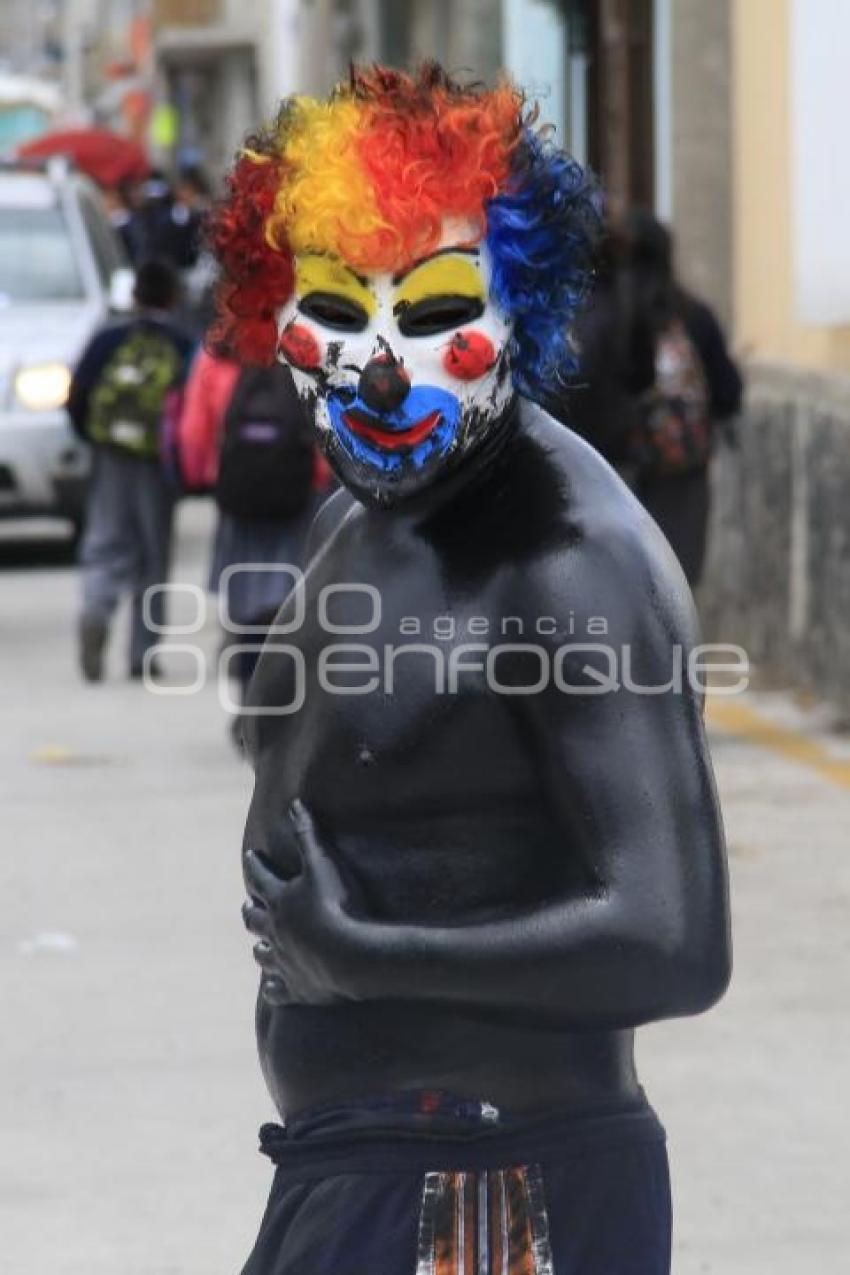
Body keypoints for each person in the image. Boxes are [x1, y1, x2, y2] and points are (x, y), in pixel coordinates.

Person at [209, 65, 731, 1275]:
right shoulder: (361, 515)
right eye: (339, 313)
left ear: (522, 309)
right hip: (374, 1172)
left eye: (438, 314)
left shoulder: (572, 563)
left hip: (498, 1194)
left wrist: (364, 957)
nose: (382, 369)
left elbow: (673, 941)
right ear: (271, 309)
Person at [562, 211, 743, 586]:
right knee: (675, 583)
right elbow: (728, 392)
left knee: (615, 582)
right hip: (679, 473)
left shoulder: (596, 313)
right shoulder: (693, 314)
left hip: (609, 466)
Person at [178, 347, 333, 738]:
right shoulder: (308, 349)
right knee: (294, 604)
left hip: (240, 492)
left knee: (247, 606)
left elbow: (195, 429)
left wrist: (198, 474)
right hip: (300, 491)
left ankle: (249, 702)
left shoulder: (218, 354)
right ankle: (289, 709)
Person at [67, 260, 193, 682]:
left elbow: (78, 392)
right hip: (158, 461)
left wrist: (95, 438)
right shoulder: (181, 343)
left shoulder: (109, 339)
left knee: (106, 541)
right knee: (153, 555)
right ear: (174, 299)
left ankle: (96, 610)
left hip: (111, 454)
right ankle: (143, 654)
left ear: (134, 295)